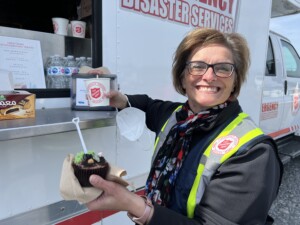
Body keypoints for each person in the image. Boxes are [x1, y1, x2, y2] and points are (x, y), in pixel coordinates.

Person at [85, 28, 283, 225]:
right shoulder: (177, 116)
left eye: (223, 68)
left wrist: (134, 205)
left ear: (235, 81)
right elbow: (146, 105)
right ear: (182, 78)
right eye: (197, 66)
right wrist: (118, 97)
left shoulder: (253, 153)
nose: (209, 76)